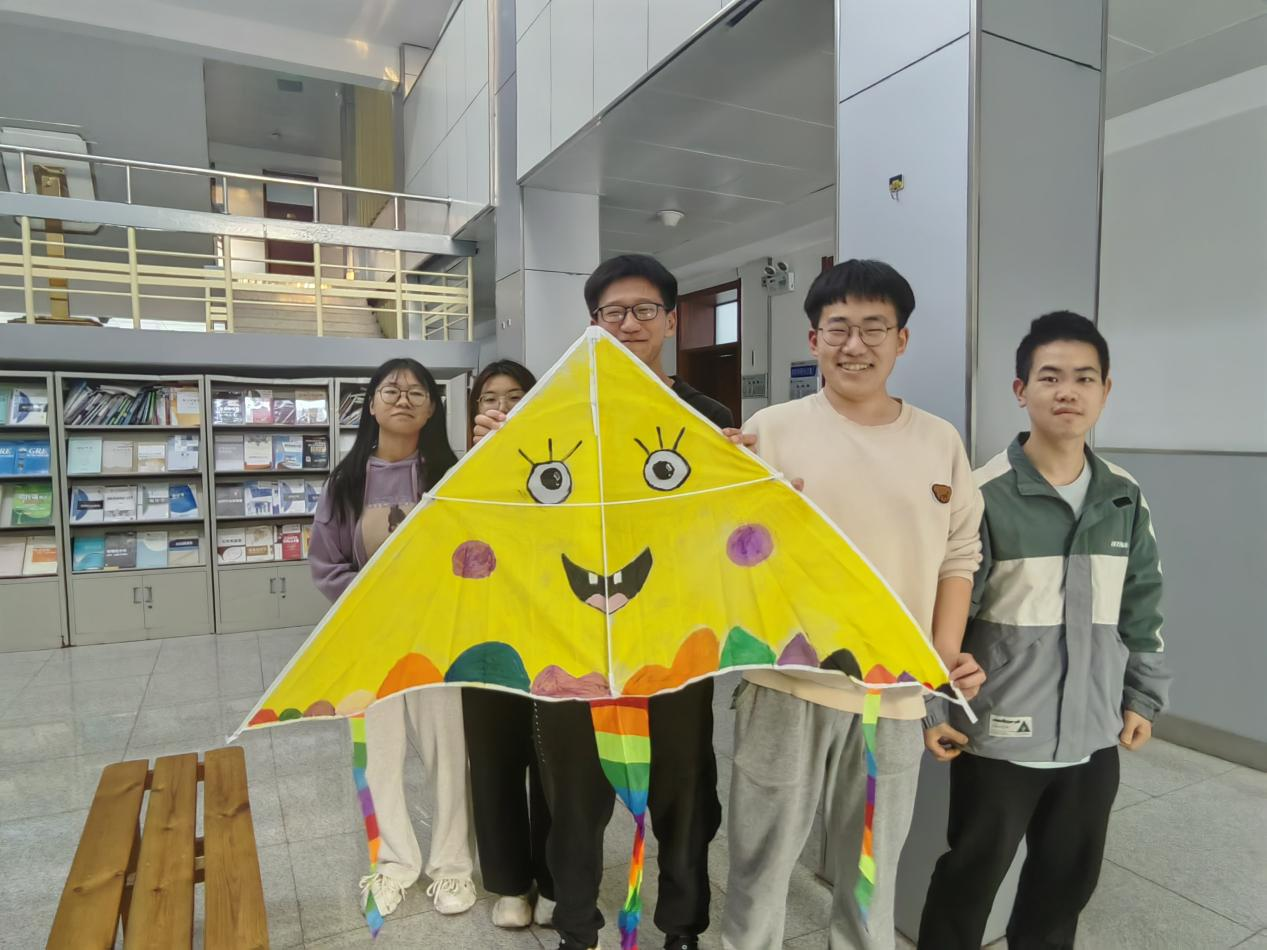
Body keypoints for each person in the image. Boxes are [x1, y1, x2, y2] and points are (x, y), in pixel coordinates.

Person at [721, 259, 986, 950]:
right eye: (838, 328)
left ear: (901, 340)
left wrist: (942, 657)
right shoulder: (771, 429)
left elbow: (959, 553)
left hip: (890, 697)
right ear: (813, 340)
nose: (855, 344)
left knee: (869, 880)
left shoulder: (939, 440)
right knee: (759, 870)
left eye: (874, 328)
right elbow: (731, 552)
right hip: (784, 683)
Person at [474, 254, 730, 950]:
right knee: (572, 798)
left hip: (673, 640)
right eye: (612, 312)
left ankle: (682, 928)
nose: (628, 324)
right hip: (572, 638)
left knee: (683, 792)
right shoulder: (551, 416)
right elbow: (516, 524)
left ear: (671, 320)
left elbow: (719, 531)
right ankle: (576, 929)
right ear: (593, 324)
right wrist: (493, 460)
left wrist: (747, 471)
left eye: (644, 310)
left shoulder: (706, 419)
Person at [917, 312, 1170, 950]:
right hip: (1000, 738)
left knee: (1064, 888)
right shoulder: (983, 494)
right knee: (969, 879)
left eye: (1085, 378)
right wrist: (933, 705)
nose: (1067, 391)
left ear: (1105, 391)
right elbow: (943, 615)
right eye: (1050, 376)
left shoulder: (1123, 495)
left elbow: (1142, 606)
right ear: (1020, 389)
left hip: (1093, 735)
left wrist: (1141, 697)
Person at [309, 358, 477, 918]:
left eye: (416, 392)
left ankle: (453, 868)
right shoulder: (345, 483)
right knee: (377, 757)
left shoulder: (454, 475)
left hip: (437, 638)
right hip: (370, 639)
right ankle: (394, 865)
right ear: (372, 405)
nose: (403, 399)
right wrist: (376, 600)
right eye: (391, 390)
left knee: (447, 753)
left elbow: (475, 553)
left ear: (432, 409)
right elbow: (327, 564)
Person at [460, 359, 557, 929]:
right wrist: (480, 462)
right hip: (485, 639)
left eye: (516, 396)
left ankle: (555, 879)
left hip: (552, 635)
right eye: (490, 398)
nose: (502, 407)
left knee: (554, 762)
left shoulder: (560, 467)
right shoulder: (461, 470)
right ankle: (509, 883)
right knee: (493, 760)